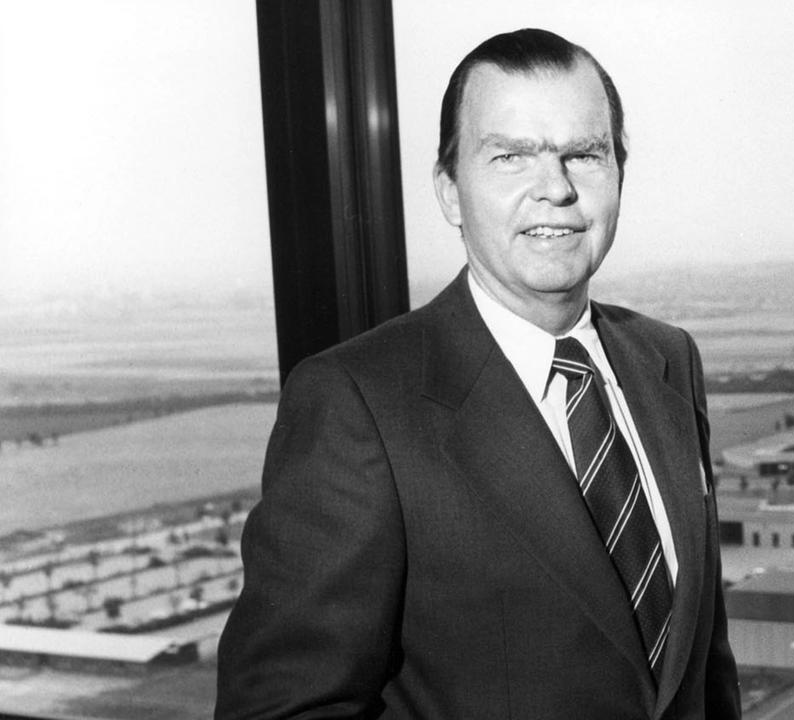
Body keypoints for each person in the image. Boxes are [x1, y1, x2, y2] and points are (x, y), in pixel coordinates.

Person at [216, 28, 741, 719]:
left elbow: (704, 672)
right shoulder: (357, 406)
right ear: (450, 192)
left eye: (584, 154)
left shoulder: (668, 359)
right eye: (510, 157)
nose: (555, 189)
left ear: (620, 173)